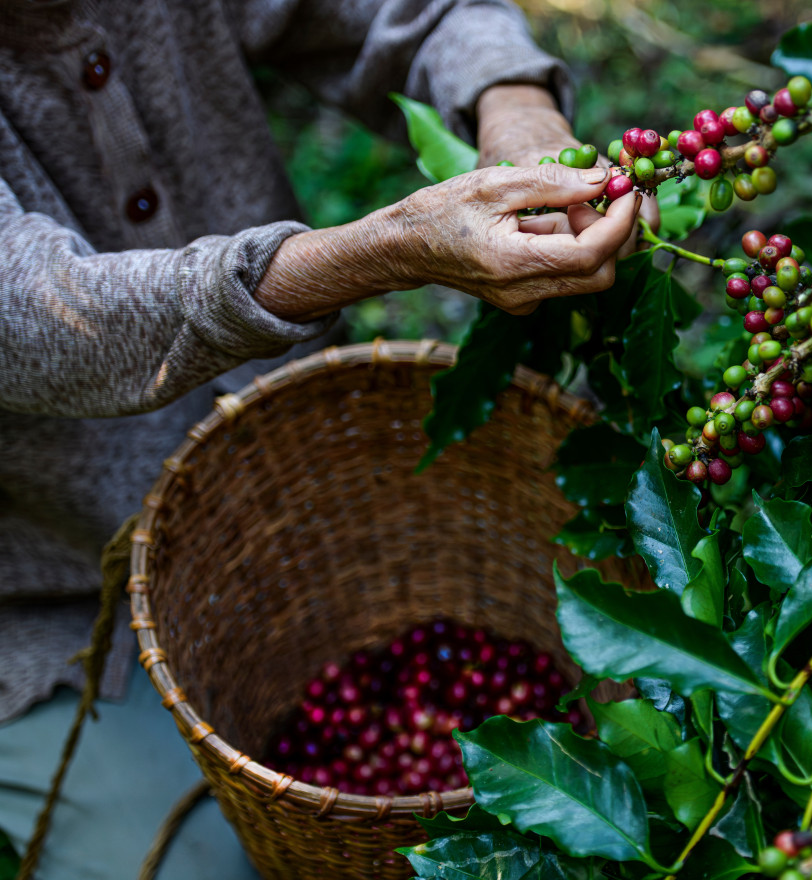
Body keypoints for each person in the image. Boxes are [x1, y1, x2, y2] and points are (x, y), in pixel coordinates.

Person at [0, 1, 655, 877]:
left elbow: (415, 13)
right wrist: (379, 252)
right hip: (61, 590)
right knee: (209, 864)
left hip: (305, 471)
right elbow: (33, 316)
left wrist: (516, 112)